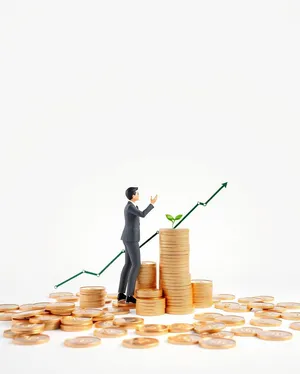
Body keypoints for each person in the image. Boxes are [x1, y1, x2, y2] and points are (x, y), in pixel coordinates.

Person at [118, 187, 158, 304]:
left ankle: (121, 293)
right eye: (137, 193)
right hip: (131, 238)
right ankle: (129, 295)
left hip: (128, 237)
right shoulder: (130, 206)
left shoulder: (130, 206)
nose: (139, 194)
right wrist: (151, 204)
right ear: (133, 195)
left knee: (128, 264)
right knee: (136, 265)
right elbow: (143, 214)